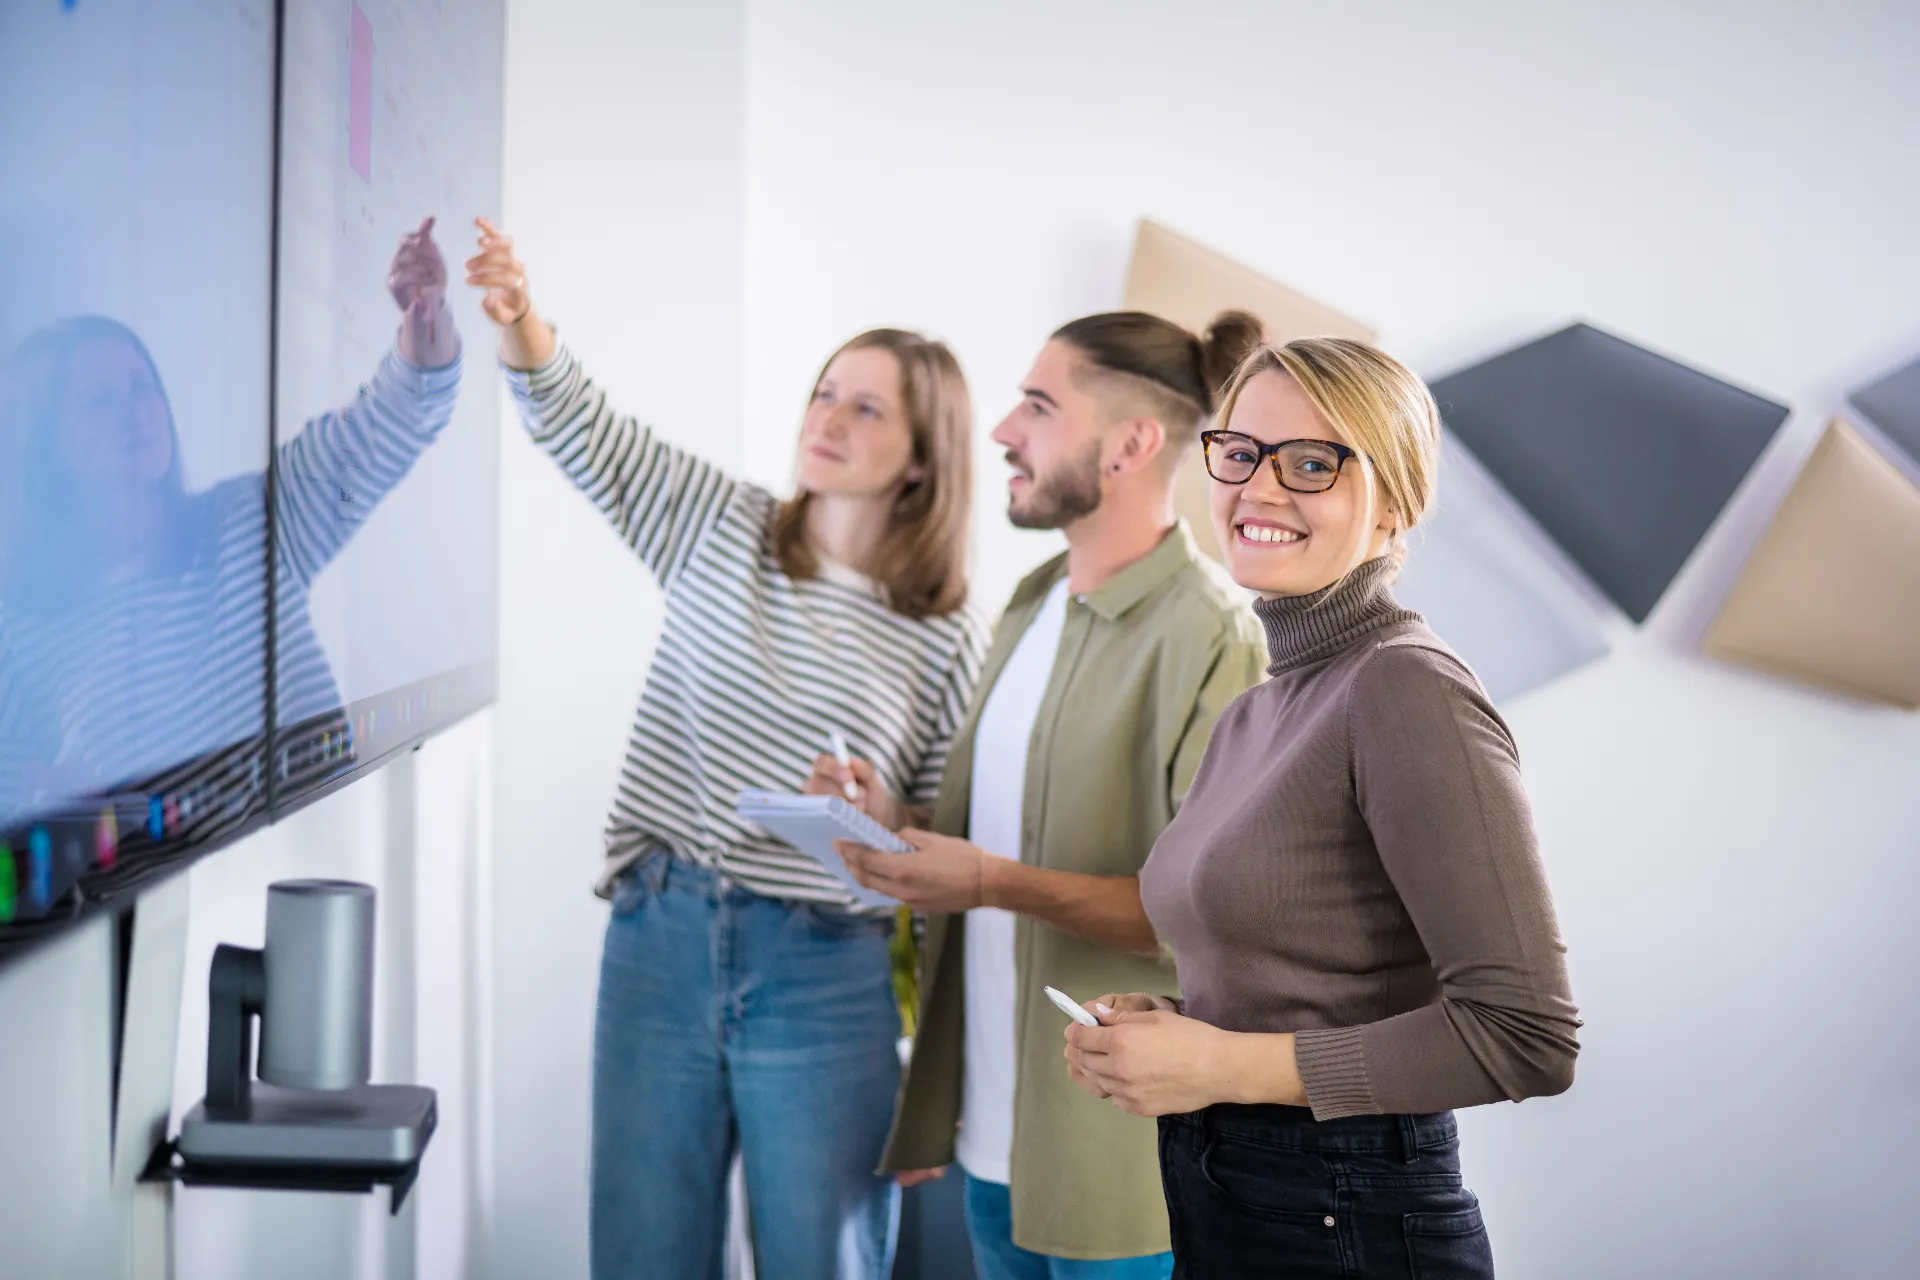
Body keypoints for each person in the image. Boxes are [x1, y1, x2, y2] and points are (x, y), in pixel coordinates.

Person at [463, 219, 987, 1280]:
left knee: (821, 1260)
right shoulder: (722, 524)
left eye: (866, 405)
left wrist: (886, 813)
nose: (826, 417)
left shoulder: (947, 632)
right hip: (662, 933)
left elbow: (951, 858)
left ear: (924, 456)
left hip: (826, 971)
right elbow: (586, 430)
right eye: (823, 391)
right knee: (646, 1257)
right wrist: (523, 320)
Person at [1063, 337, 1582, 1279]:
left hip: (1350, 1225)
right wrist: (1174, 1021)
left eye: (1312, 463)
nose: (1260, 489)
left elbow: (1527, 1036)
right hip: (1230, 1201)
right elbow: (1313, 980)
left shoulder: (1405, 690)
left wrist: (1218, 1065)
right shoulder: (1260, 709)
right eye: (1242, 453)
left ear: (1396, 506)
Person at [815, 312, 1268, 1278]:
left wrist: (982, 880)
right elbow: (1009, 833)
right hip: (998, 1138)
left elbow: (1198, 917)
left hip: (1117, 1166)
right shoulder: (1029, 602)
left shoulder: (1213, 634)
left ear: (1132, 444)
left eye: (1039, 405)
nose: (1003, 430)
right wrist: (894, 820)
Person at [0, 219, 461, 829]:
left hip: (311, 876)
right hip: (149, 914)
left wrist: (425, 319)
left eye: (143, 386)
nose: (137, 411)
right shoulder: (21, 640)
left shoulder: (249, 521)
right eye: (100, 400)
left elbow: (394, 418)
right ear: (47, 446)